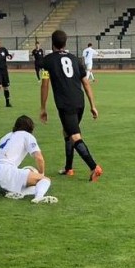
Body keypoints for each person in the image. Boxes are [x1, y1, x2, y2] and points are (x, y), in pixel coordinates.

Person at [40, 29, 103, 182]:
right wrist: (92, 105)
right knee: (67, 133)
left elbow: (45, 84)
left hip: (65, 104)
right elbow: (86, 83)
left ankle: (94, 167)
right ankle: (69, 168)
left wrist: (43, 107)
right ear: (65, 43)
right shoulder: (75, 59)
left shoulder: (47, 61)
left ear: (52, 43)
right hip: (79, 102)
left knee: (74, 136)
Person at [0, 115, 57, 204]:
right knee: (44, 180)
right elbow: (39, 158)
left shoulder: (6, 136)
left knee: (30, 178)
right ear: (30, 127)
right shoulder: (26, 135)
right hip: (6, 171)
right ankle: (39, 197)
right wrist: (42, 174)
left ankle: (13, 193)